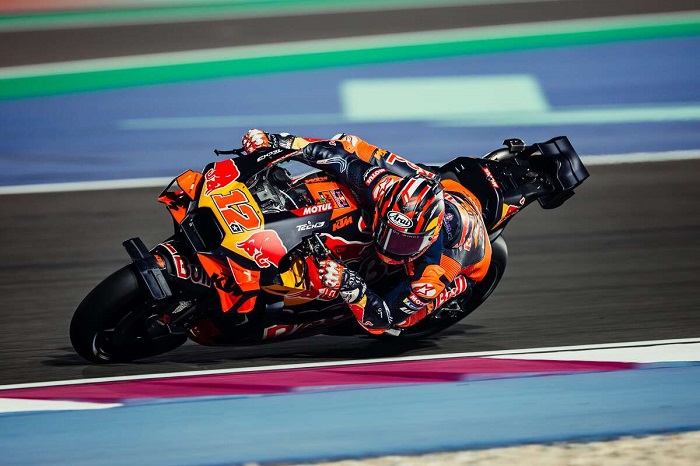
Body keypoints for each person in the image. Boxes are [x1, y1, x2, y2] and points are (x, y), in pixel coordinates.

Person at [242, 129, 492, 335]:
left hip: (472, 263)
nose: (392, 246)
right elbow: (335, 156)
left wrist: (351, 286)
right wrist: (275, 141)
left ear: (429, 238)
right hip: (443, 188)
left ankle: (453, 290)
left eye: (404, 242)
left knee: (401, 324)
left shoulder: (433, 272)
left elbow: (383, 320)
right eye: (389, 233)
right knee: (348, 143)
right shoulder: (382, 187)